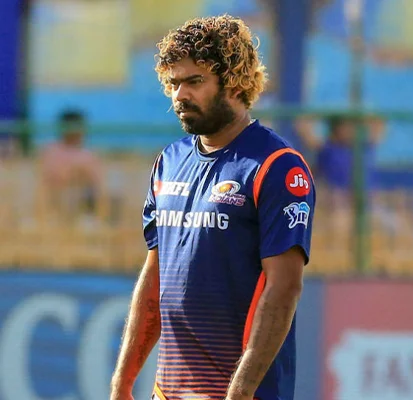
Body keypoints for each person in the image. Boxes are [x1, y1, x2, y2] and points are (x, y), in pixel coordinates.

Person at [109, 15, 315, 400]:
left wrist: (239, 393)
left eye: (194, 81)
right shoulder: (168, 161)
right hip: (168, 392)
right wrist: (122, 380)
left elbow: (284, 288)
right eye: (174, 83)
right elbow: (155, 276)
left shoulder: (276, 165)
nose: (179, 95)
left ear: (235, 81)